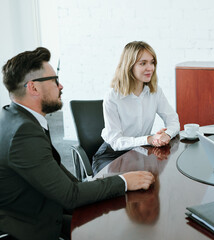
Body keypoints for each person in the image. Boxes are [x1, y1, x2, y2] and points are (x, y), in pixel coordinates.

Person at [0, 47, 155, 240]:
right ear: (33, 87)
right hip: (33, 228)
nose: (61, 86)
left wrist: (95, 184)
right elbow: (70, 196)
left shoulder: (14, 117)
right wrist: (124, 181)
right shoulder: (24, 133)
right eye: (55, 80)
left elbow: (57, 174)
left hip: (41, 210)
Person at [93, 41, 180, 165]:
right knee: (129, 183)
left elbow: (173, 120)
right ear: (129, 66)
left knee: (154, 179)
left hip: (141, 150)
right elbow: (116, 142)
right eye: (143, 63)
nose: (150, 68)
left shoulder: (155, 91)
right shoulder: (113, 96)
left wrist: (167, 134)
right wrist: (149, 139)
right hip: (113, 154)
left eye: (152, 62)